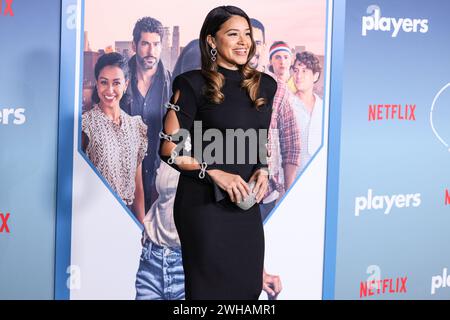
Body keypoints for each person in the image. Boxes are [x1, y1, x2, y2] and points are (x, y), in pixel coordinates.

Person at [159, 6, 277, 300]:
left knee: (248, 290)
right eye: (233, 34)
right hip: (203, 210)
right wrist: (213, 171)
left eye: (247, 34)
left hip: (245, 207)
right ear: (211, 41)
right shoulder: (191, 84)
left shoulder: (266, 86)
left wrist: (262, 167)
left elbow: (257, 138)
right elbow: (169, 147)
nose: (243, 42)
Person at [81, 52, 148, 223]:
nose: (109, 90)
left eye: (116, 83)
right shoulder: (85, 124)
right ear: (96, 84)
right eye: (104, 82)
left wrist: (141, 230)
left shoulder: (136, 127)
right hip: (95, 218)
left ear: (125, 84)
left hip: (128, 220)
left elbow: (138, 187)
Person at [249, 19, 301, 221]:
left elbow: (292, 145)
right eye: (246, 39)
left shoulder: (277, 88)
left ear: (263, 46)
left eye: (257, 41)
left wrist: (288, 196)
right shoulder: (218, 86)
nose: (251, 46)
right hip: (224, 198)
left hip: (265, 200)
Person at [124, 17, 172, 212]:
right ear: (134, 45)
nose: (151, 51)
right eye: (145, 44)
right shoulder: (120, 81)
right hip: (123, 178)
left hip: (158, 178)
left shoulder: (171, 84)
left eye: (156, 44)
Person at [291, 51, 323, 173]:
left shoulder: (323, 107)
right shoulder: (286, 105)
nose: (299, 76)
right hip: (291, 177)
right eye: (296, 70)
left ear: (315, 76)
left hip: (317, 175)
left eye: (304, 71)